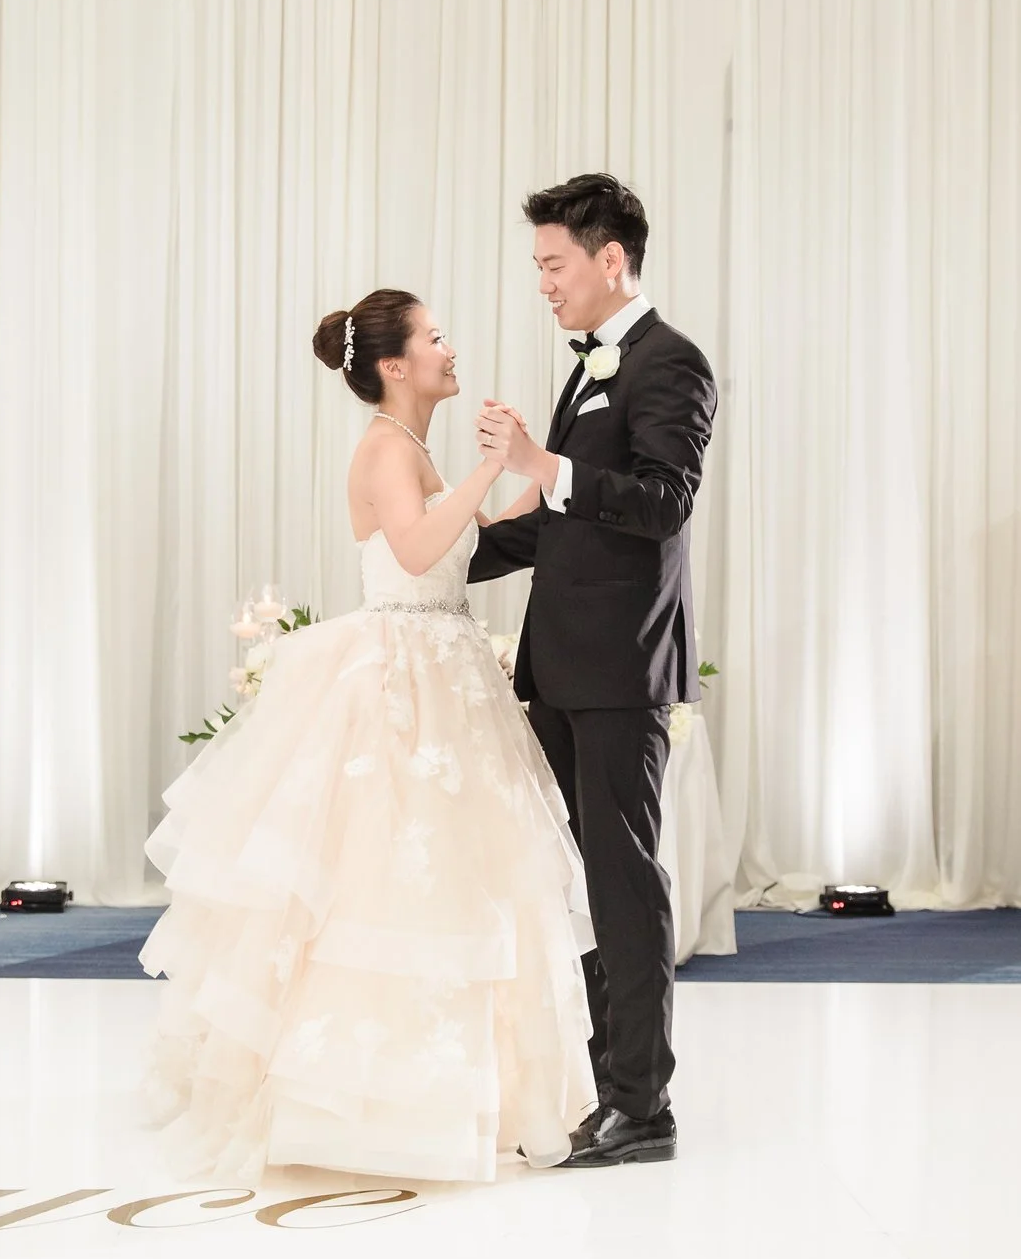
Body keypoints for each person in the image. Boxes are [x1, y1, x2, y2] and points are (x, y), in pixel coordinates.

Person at [138, 288, 596, 1182]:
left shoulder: (414, 447)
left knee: (456, 878)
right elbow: (418, 550)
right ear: (395, 364)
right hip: (400, 677)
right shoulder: (384, 446)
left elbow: (478, 541)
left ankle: (453, 1088)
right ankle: (359, 1096)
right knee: (383, 877)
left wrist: (536, 473)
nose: (449, 348)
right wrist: (489, 468)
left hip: (448, 670)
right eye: (435, 336)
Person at [471, 173, 716, 1168]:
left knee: (623, 885)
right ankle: (607, 1086)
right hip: (563, 669)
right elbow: (566, 521)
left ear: (609, 259)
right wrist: (440, 555)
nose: (542, 282)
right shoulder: (588, 367)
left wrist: (543, 465)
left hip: (619, 670)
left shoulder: (671, 361)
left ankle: (643, 1105)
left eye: (553, 263)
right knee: (572, 886)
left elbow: (662, 500)